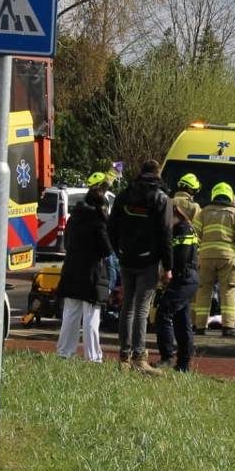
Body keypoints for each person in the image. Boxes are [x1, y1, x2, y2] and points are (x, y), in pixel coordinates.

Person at [109, 160, 174, 373]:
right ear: (157, 174)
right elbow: (166, 234)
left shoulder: (125, 194)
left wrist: (118, 250)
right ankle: (139, 356)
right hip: (149, 260)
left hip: (127, 257)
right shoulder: (161, 198)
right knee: (142, 309)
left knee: (127, 307)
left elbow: (111, 226)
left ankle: (124, 357)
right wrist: (168, 266)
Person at [55, 172, 113, 363]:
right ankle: (93, 357)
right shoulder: (98, 222)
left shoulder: (74, 218)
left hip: (72, 271)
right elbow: (106, 250)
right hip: (92, 274)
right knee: (91, 318)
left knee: (70, 314)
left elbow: (67, 242)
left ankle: (64, 351)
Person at [193, 182, 235, 337]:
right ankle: (228, 327)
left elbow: (194, 235)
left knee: (203, 290)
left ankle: (200, 326)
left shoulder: (203, 213)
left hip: (205, 257)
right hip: (227, 258)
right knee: (228, 290)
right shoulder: (234, 213)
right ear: (229, 195)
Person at [156, 189, 199, 372]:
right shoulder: (184, 228)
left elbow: (179, 257)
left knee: (163, 314)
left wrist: (167, 272)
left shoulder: (182, 230)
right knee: (182, 320)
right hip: (187, 279)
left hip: (184, 278)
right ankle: (183, 364)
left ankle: (167, 357)